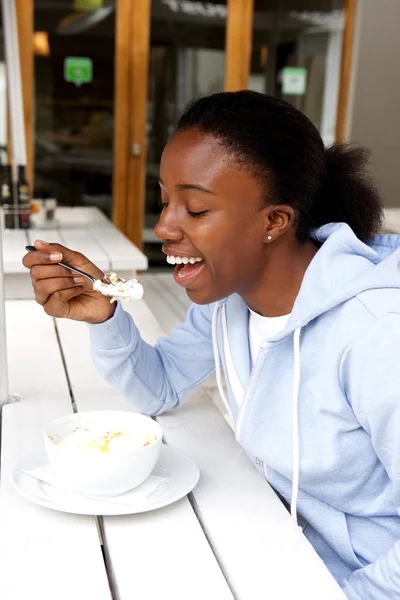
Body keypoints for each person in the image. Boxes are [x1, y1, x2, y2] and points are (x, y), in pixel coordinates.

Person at [23, 91, 400, 600]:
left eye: (196, 208)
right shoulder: (231, 297)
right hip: (275, 539)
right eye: (165, 201)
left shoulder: (376, 333)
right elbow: (158, 389)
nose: (162, 227)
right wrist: (106, 316)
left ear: (274, 221)